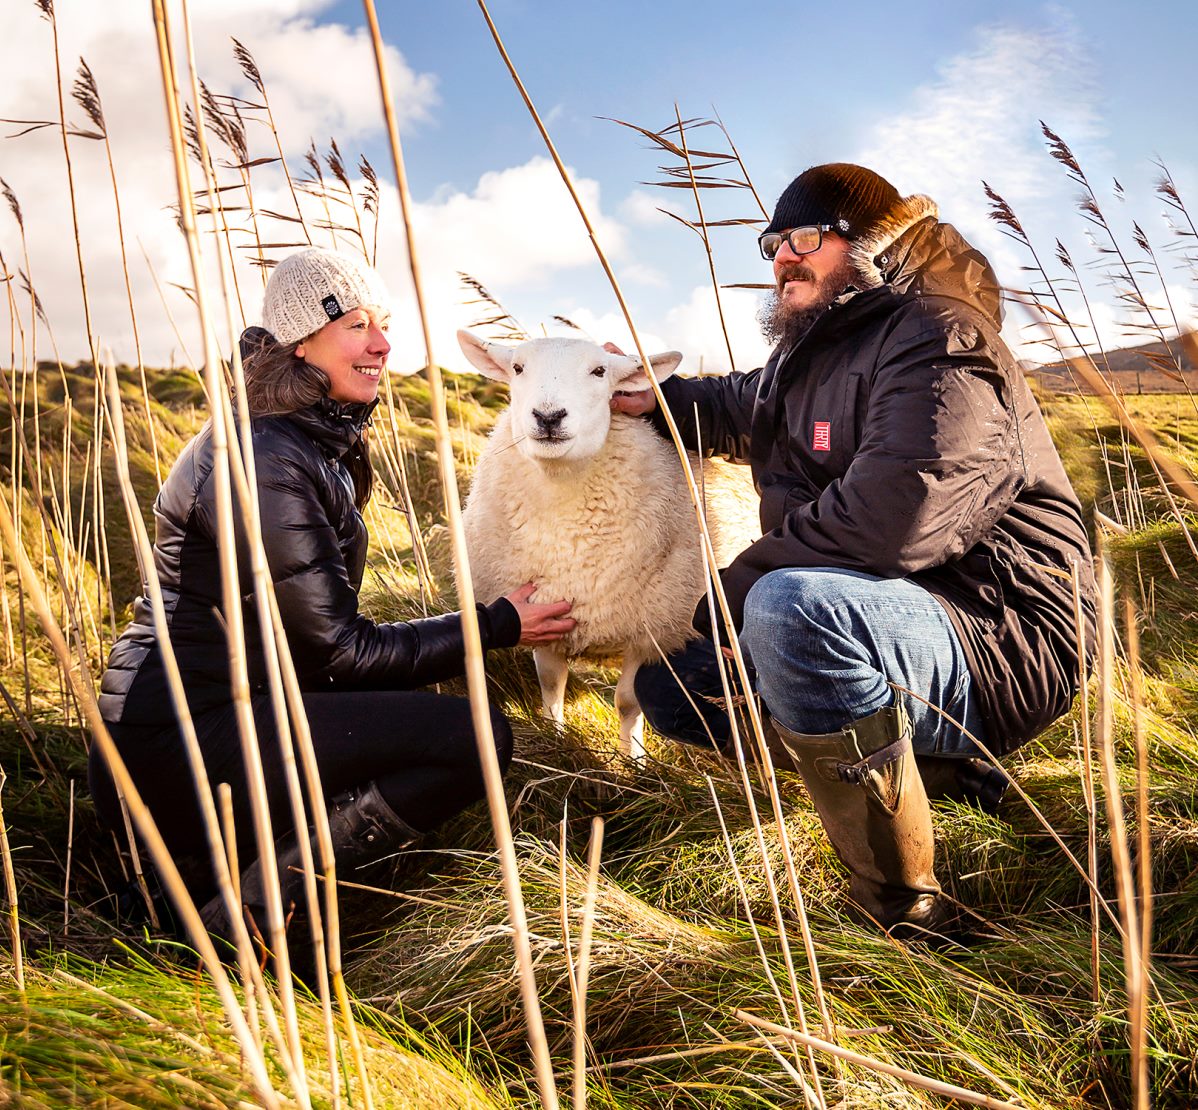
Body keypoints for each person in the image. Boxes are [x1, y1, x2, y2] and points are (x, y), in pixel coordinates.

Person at [616, 164, 1097, 939]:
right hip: (895, 617)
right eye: (772, 243)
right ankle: (947, 777)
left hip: (998, 629)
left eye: (804, 236)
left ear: (869, 241)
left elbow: (896, 517)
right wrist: (642, 397)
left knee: (789, 611)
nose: (781, 258)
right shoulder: (816, 350)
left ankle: (908, 910)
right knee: (673, 684)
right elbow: (742, 405)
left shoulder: (943, 337)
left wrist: (735, 591)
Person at [90, 247, 575, 950]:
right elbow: (341, 653)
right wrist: (497, 625)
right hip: (175, 742)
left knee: (429, 708)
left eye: (383, 324)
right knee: (472, 736)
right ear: (300, 341)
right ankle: (243, 911)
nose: (382, 344)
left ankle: (225, 873)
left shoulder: (306, 436)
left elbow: (315, 649)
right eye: (355, 325)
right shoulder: (266, 456)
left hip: (236, 710)